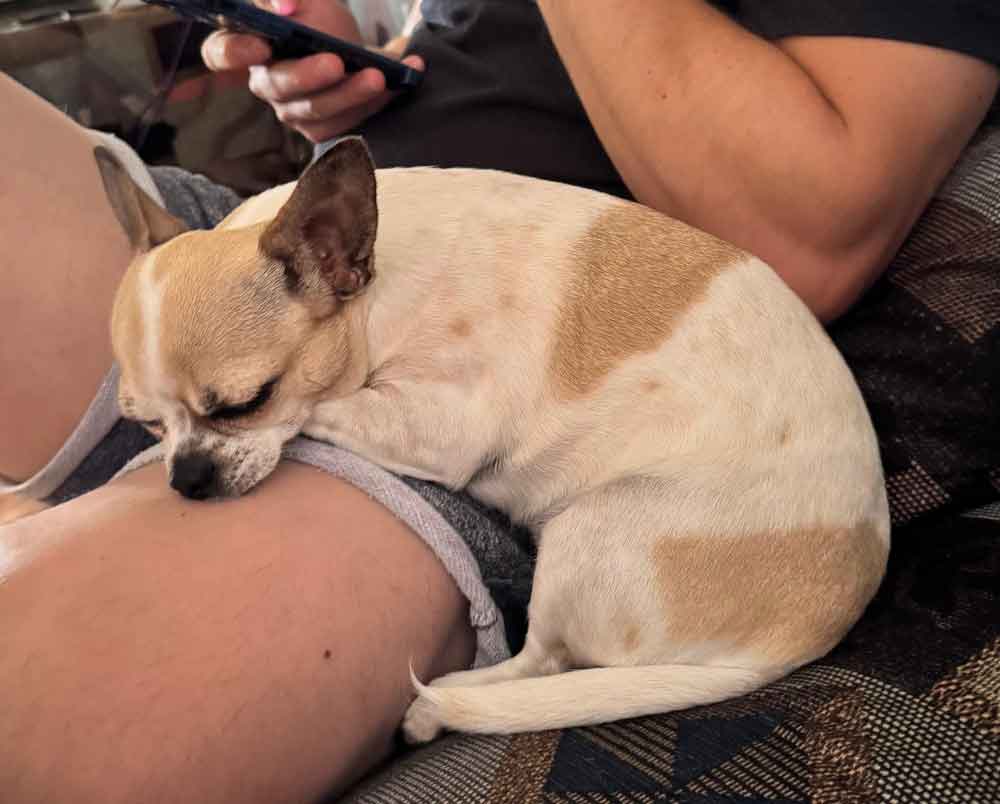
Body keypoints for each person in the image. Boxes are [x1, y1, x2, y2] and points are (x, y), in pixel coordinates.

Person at [0, 1, 997, 802]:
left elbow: (805, 230)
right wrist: (356, 68)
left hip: (438, 390)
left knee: (31, 702)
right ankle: (184, 406)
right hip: (270, 264)